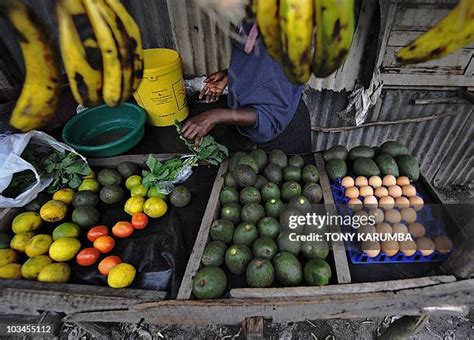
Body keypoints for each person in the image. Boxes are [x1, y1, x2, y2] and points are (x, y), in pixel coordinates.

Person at [181, 23, 312, 154]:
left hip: (284, 129)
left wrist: (213, 116)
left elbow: (270, 117)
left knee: (281, 171)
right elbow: (261, 66)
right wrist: (231, 75)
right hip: (270, 117)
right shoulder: (251, 19)